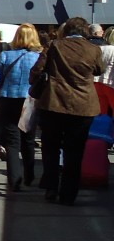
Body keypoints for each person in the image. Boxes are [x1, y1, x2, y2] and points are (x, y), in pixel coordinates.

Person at [30, 15, 105, 204]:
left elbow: (38, 69)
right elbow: (99, 70)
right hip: (83, 107)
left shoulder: (55, 46)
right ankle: (68, 194)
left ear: (67, 30)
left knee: (50, 148)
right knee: (75, 152)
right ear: (85, 32)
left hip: (54, 103)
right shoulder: (94, 49)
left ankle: (51, 187)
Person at [0, 23, 43, 192]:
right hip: (29, 101)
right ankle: (29, 175)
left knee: (12, 142)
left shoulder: (6, 55)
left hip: (8, 99)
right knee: (28, 140)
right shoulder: (39, 57)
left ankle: (15, 179)